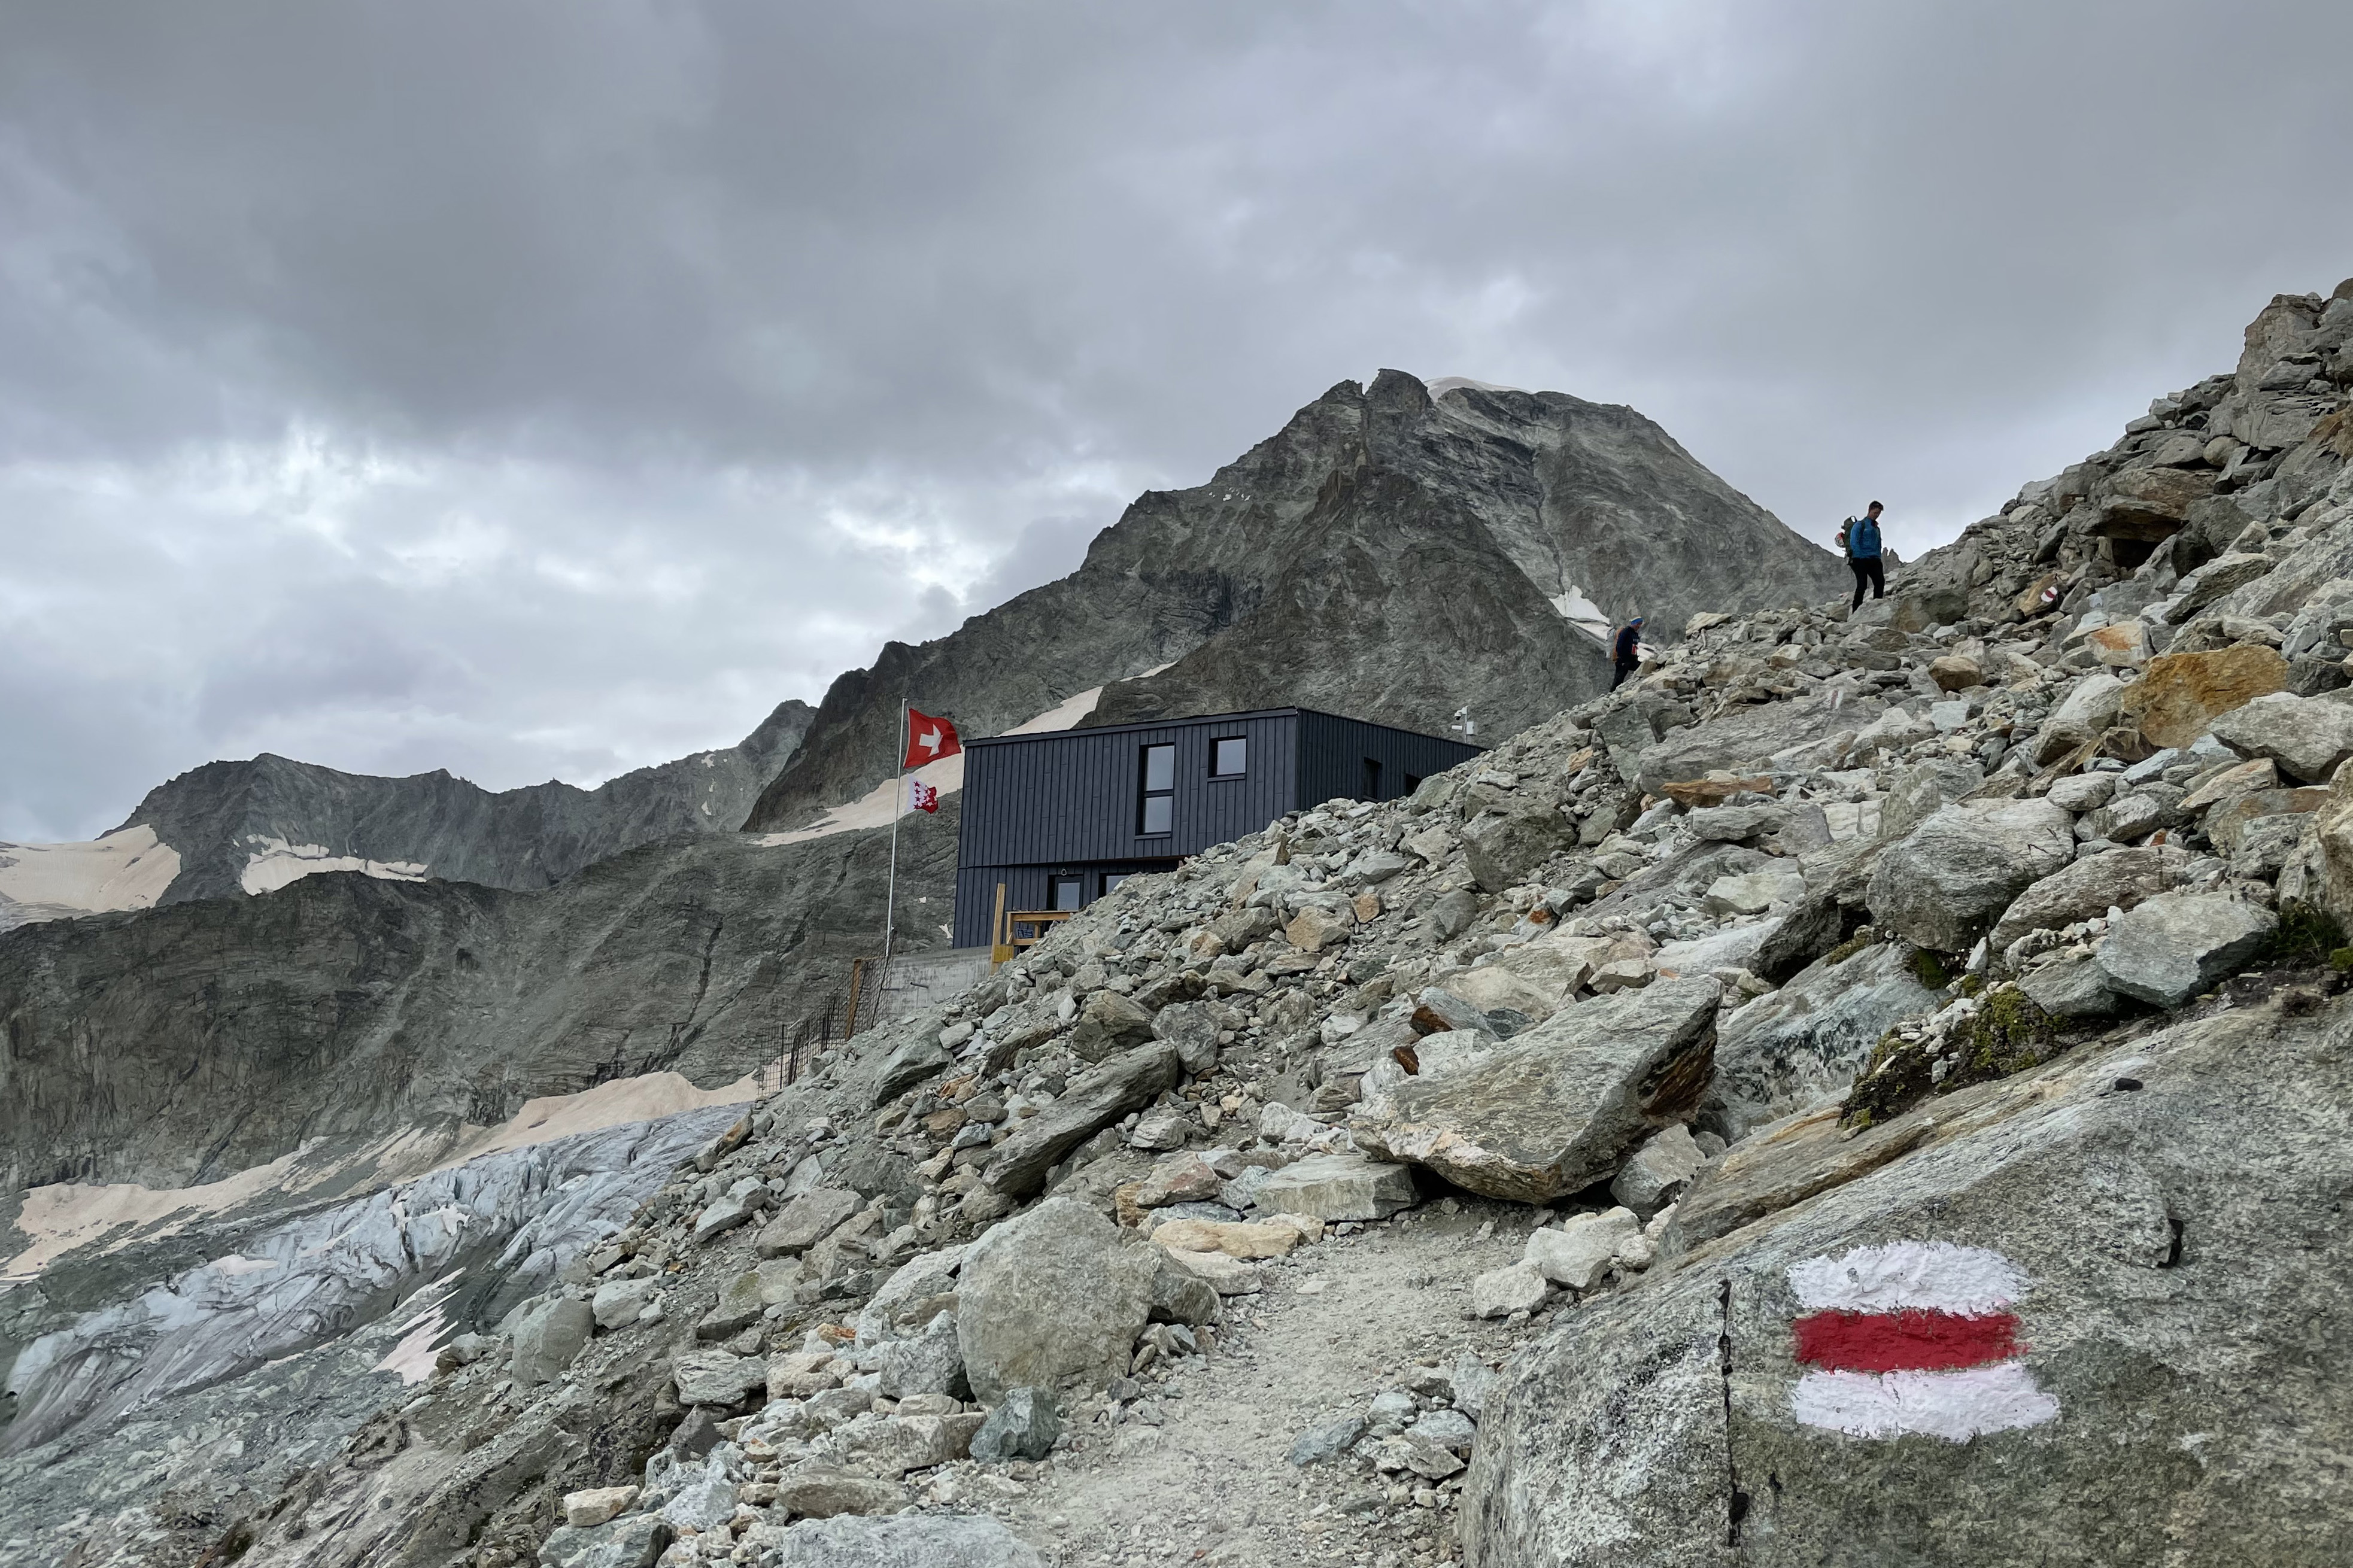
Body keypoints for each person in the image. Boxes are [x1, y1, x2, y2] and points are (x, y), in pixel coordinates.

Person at [1838, 501, 1886, 609]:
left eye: (1879, 513)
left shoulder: (1876, 528)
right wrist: (1860, 557)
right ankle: (1856, 611)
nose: (1877, 515)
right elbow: (1854, 542)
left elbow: (1878, 544)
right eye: (1875, 513)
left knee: (1880, 582)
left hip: (1874, 559)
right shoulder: (1860, 525)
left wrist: (1878, 557)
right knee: (1862, 585)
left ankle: (1877, 607)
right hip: (1860, 559)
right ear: (1870, 510)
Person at [1611, 615, 1644, 688]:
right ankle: (1611, 694)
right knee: (1619, 679)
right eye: (1638, 623)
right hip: (1623, 660)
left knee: (1642, 668)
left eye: (1640, 624)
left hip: (1632, 660)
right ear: (1633, 623)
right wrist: (1621, 658)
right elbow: (1619, 645)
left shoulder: (1635, 634)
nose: (1639, 626)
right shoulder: (1626, 632)